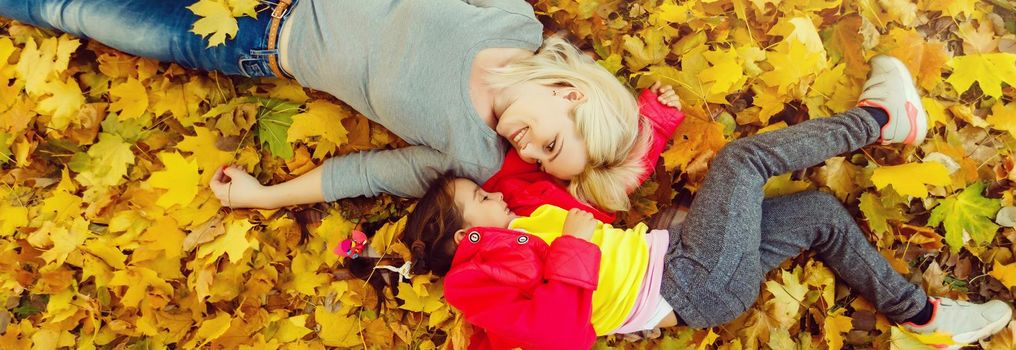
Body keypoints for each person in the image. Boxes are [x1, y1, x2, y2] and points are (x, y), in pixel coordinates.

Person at [379, 56, 1012, 349]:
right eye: (481, 198)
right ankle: (882, 118)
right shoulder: (480, 282)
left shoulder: (526, 211)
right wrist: (572, 247)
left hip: (686, 258)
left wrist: (650, 118)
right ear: (466, 235)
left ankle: (924, 317)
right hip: (691, 283)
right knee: (743, 160)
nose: (495, 194)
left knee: (819, 214)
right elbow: (558, 336)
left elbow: (608, 180)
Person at [0, 0, 656, 212]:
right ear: (571, 94)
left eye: (541, 162)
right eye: (550, 141)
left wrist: (262, 198)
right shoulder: (509, 20)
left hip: (262, 40)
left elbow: (368, 173)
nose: (527, 151)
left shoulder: (472, 155)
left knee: (83, 9)